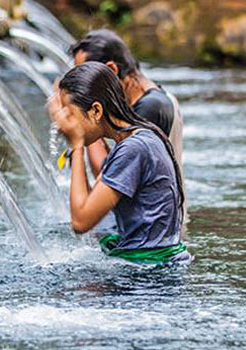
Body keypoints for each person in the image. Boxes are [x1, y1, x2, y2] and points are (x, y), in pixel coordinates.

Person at [49, 62, 190, 265]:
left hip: (149, 279)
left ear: (96, 110)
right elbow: (91, 202)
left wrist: (77, 145)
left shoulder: (133, 149)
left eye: (69, 114)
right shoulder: (139, 136)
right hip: (152, 265)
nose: (64, 122)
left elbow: (81, 221)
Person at [69, 30, 187, 223]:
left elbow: (108, 177)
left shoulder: (149, 110)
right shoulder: (151, 98)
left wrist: (85, 127)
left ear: (112, 70)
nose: (80, 90)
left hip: (155, 237)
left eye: (85, 80)